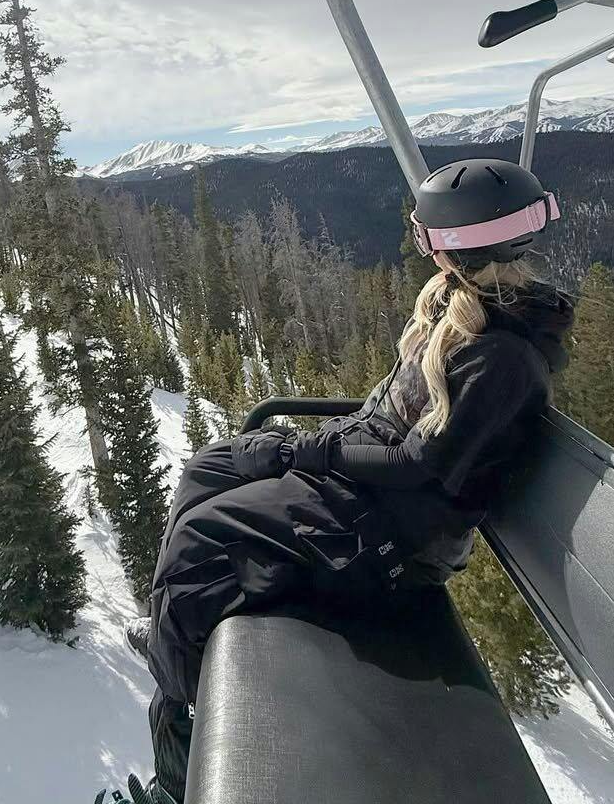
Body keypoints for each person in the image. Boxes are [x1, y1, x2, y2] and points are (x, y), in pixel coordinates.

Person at [95, 159, 572, 804]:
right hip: (370, 494)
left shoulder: (500, 357)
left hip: (390, 537)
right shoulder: (465, 314)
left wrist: (306, 450)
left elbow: (420, 464)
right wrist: (297, 450)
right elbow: (393, 421)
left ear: (451, 242)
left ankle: (174, 763)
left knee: (202, 538)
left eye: (424, 234)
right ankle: (172, 632)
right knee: (210, 468)